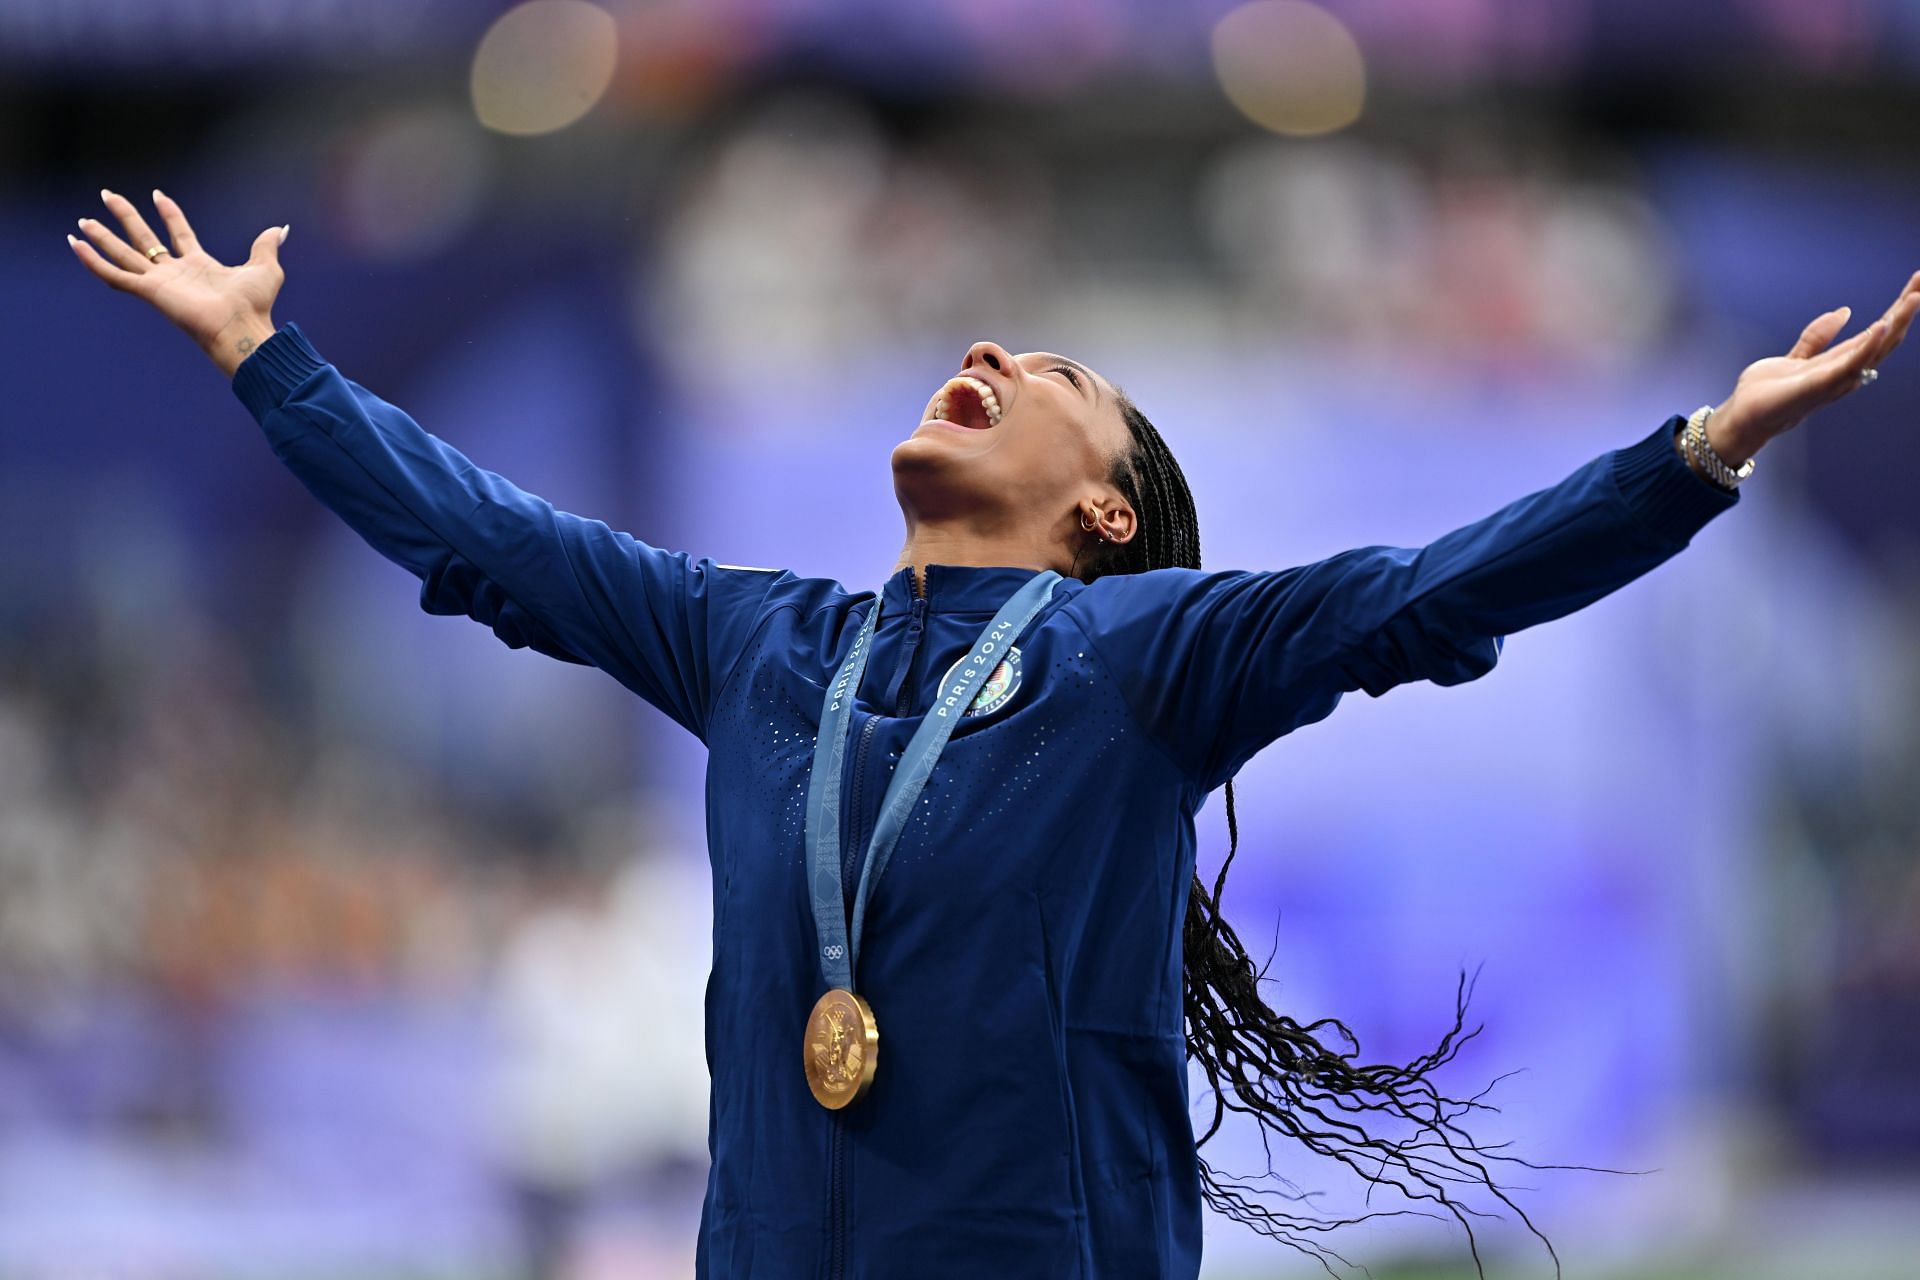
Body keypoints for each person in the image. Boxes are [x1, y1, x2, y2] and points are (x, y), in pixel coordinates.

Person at [69, 190, 1919, 1279]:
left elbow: (1434, 589)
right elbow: (483, 538)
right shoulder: (754, 642)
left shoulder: (1152, 653)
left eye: (1058, 380)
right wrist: (266, 357)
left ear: (1104, 512)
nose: (994, 348)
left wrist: (1696, 458)